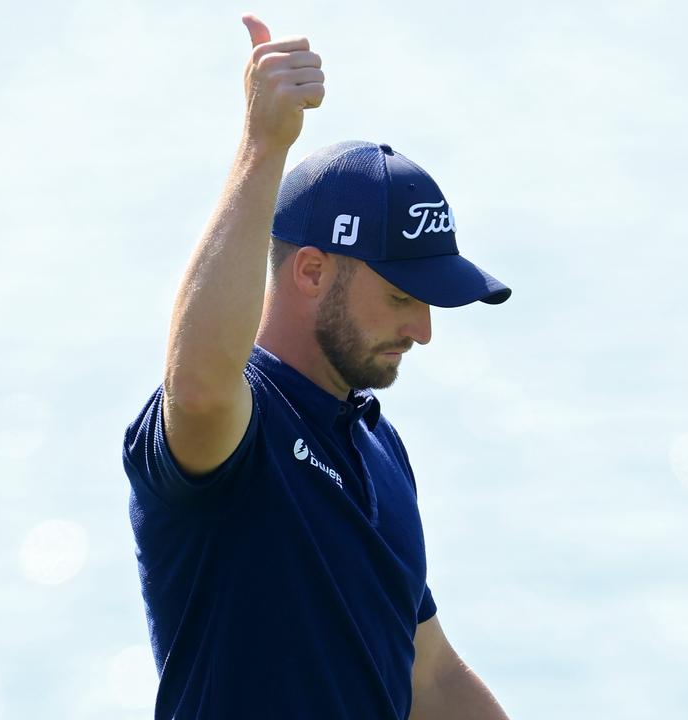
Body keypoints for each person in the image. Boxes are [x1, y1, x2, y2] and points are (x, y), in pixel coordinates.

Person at [121, 13, 512, 719]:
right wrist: (263, 146)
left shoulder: (378, 445)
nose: (423, 331)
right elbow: (201, 386)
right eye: (401, 296)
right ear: (310, 272)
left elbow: (429, 677)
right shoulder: (245, 426)